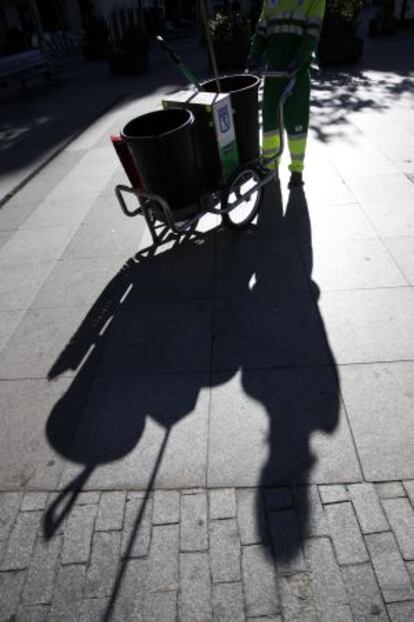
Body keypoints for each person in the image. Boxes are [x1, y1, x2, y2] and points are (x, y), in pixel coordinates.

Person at [247, 0, 326, 188]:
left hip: (296, 74)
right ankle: (270, 166)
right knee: (270, 121)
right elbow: (262, 29)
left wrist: (299, 58)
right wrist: (255, 54)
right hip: (274, 73)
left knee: (296, 120)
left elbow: (312, 33)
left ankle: (297, 171)